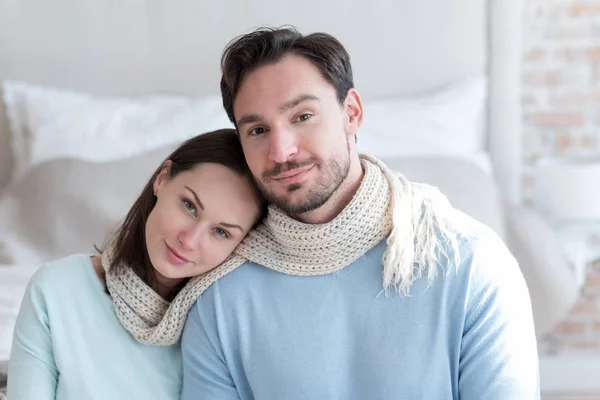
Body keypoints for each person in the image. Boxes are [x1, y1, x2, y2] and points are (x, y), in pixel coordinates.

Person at [179, 27, 541, 399]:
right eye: (257, 130)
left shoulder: (470, 262)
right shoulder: (218, 299)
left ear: (351, 112)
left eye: (302, 116)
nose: (281, 151)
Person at [7, 129, 267, 400]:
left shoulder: (224, 324)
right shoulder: (56, 288)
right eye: (189, 206)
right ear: (162, 179)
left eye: (221, 232)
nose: (189, 241)